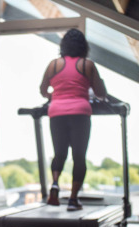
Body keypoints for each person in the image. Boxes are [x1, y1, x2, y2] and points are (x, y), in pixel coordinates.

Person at [40, 28, 107, 211]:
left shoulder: (53, 65)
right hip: (80, 112)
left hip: (57, 112)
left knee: (59, 153)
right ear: (83, 46)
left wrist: (52, 96)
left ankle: (55, 183)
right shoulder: (87, 65)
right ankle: (72, 199)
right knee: (79, 156)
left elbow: (43, 89)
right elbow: (101, 93)